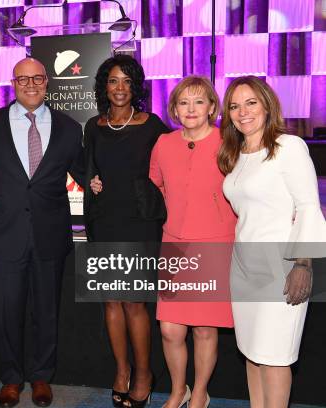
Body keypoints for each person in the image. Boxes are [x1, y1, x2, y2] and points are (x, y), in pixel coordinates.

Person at [0, 57, 83, 408]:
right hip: (5, 235)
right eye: (24, 79)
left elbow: (86, 174)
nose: (31, 84)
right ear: (13, 82)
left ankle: (41, 377)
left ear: (47, 82)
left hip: (50, 234)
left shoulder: (70, 129)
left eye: (38, 78)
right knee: (7, 311)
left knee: (46, 311)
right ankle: (11, 378)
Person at [219, 76, 326, 406]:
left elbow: (309, 207)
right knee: (252, 353)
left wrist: (304, 263)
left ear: (267, 104)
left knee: (276, 356)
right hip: (243, 267)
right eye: (235, 106)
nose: (243, 112)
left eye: (251, 102)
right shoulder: (235, 155)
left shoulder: (289, 147)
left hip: (282, 267)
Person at [86, 54, 168, 408]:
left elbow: (171, 169)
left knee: (135, 303)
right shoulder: (94, 125)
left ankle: (144, 373)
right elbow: (87, 167)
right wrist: (91, 180)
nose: (120, 88)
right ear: (104, 86)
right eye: (113, 81)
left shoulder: (153, 126)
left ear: (136, 86)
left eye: (127, 81)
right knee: (110, 302)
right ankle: (121, 371)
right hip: (104, 221)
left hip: (138, 222)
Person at [148, 76, 236, 408]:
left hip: (216, 243)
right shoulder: (164, 143)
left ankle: (199, 392)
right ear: (174, 109)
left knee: (203, 328)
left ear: (212, 107)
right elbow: (153, 183)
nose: (191, 109)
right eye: (184, 102)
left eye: (199, 101)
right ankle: (177, 390)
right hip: (175, 242)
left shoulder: (229, 141)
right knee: (170, 329)